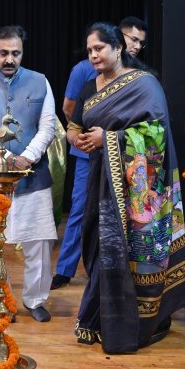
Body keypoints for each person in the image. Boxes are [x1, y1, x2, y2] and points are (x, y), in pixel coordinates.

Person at [67, 22, 185, 353]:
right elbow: (73, 126)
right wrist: (79, 139)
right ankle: (100, 318)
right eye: (89, 50)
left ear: (118, 48)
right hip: (101, 180)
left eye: (99, 48)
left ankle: (144, 319)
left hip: (140, 188)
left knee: (137, 249)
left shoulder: (144, 83)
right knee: (101, 246)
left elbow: (157, 132)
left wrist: (109, 138)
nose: (93, 55)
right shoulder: (89, 87)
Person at [0, 26, 57, 322]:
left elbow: (48, 125)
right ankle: (0, 297)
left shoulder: (40, 82)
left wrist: (27, 157)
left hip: (31, 175)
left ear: (22, 53)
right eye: (3, 53)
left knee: (38, 241)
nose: (9, 59)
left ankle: (35, 299)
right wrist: (2, 155)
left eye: (15, 53)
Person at [52, 16, 149, 290]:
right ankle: (66, 269)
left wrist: (110, 138)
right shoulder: (84, 70)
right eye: (133, 39)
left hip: (127, 157)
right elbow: (70, 109)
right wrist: (80, 138)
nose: (136, 46)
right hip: (88, 155)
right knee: (81, 211)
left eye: (141, 42)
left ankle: (124, 272)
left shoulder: (139, 78)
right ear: (120, 40)